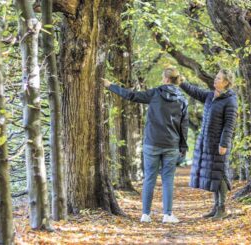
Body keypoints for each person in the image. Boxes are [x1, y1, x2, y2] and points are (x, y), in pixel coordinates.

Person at [102, 67, 188, 223]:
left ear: (167, 79)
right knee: (168, 180)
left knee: (150, 178)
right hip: (171, 144)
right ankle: (167, 215)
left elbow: (132, 96)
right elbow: (184, 126)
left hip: (152, 143)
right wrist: (183, 146)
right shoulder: (182, 99)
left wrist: (110, 85)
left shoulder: (155, 93)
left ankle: (145, 215)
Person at [179, 69, 238, 219]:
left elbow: (229, 125)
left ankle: (222, 208)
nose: (215, 80)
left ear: (226, 82)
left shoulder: (230, 100)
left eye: (218, 78)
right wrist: (182, 83)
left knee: (221, 174)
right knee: (213, 174)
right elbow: (196, 92)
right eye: (216, 77)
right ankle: (216, 207)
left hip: (219, 143)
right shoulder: (211, 96)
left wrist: (224, 143)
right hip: (207, 142)